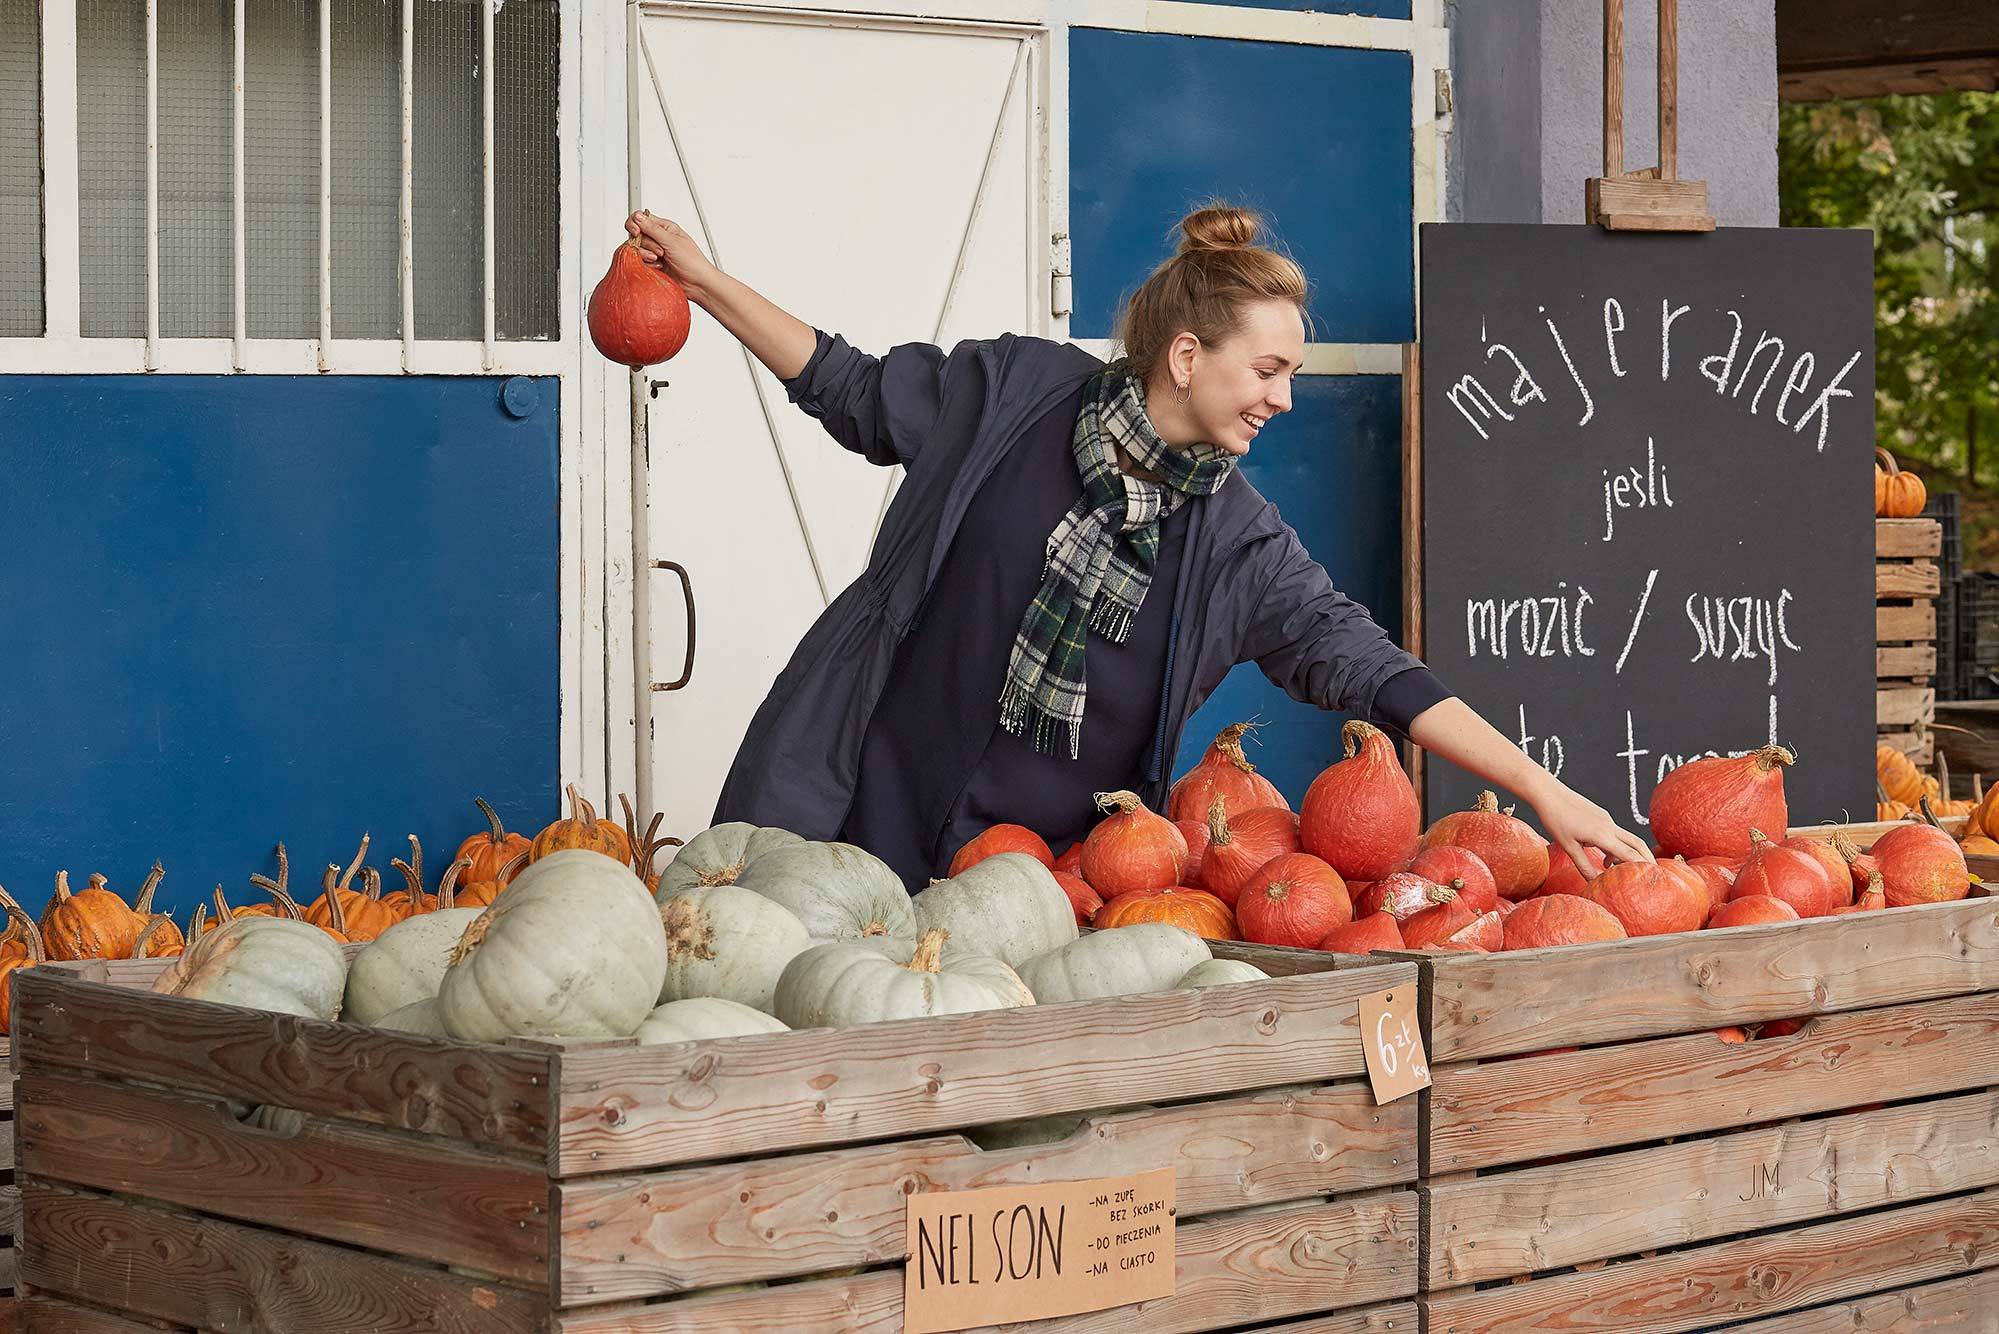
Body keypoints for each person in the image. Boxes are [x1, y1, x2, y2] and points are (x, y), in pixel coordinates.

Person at [626, 202, 1650, 889]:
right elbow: (845, 384)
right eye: (1267, 368)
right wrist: (704, 282)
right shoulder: (1011, 396)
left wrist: (1543, 788)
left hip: (1051, 891)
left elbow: (1377, 671)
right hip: (859, 819)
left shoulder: (1239, 544)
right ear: (1187, 353)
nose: (1284, 397)